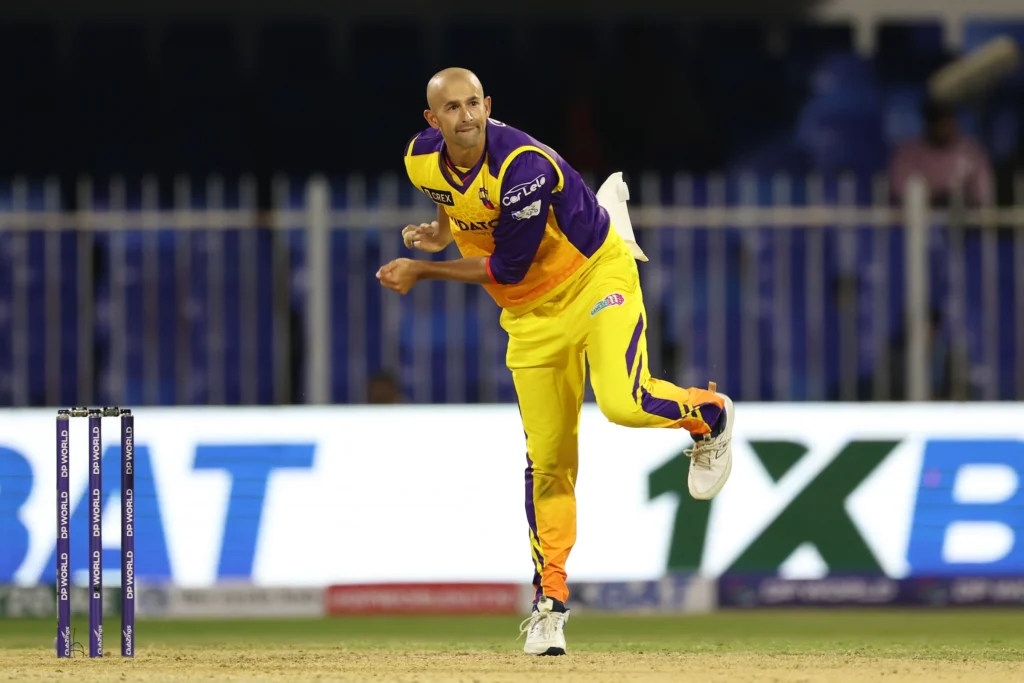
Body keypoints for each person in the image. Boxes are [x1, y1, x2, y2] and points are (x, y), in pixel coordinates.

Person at [376, 67, 734, 656]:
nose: (466, 116)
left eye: (474, 104)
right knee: (548, 463)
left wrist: (423, 269)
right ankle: (550, 603)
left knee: (624, 401)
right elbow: (448, 197)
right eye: (453, 108)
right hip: (529, 316)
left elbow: (507, 267)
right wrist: (441, 234)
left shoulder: (523, 167)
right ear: (432, 120)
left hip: (593, 279)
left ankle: (709, 415)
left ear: (487, 104)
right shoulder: (421, 158)